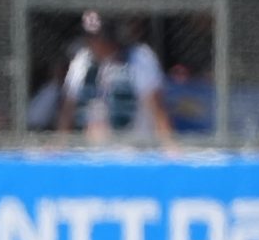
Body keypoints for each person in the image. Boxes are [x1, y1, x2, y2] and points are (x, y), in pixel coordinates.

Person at [54, 11, 174, 144]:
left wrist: (168, 145)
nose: (94, 41)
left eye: (99, 36)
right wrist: (60, 143)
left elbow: (157, 107)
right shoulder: (81, 61)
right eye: (90, 37)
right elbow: (68, 108)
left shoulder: (140, 57)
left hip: (133, 152)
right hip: (91, 155)